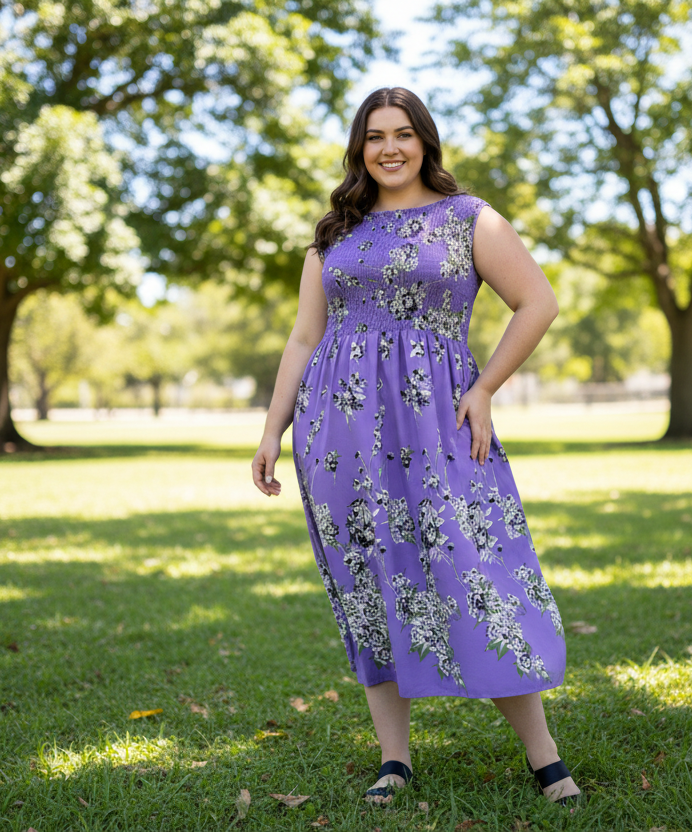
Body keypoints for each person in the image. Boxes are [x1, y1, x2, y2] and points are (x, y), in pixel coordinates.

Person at [251, 87, 581, 809]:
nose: (389, 148)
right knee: (368, 583)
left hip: (439, 425)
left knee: (475, 567)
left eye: (402, 133)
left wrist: (486, 387)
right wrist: (274, 429)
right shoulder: (335, 232)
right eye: (375, 137)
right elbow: (304, 337)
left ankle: (546, 758)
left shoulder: (469, 218)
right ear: (359, 148)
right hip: (338, 434)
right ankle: (394, 760)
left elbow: (539, 302)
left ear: (425, 141)